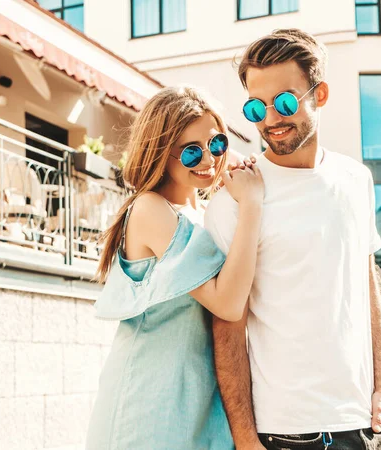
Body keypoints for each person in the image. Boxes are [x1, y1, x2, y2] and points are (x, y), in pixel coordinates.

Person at [205, 29, 381, 449]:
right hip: (284, 430)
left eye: (287, 102)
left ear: (321, 94)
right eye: (257, 107)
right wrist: (244, 437)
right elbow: (227, 324)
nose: (272, 119)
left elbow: (368, 286)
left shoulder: (356, 180)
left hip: (364, 421)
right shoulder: (236, 197)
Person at [86, 86, 264, 449]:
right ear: (160, 153)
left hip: (197, 404)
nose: (209, 160)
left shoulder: (203, 213)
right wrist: (252, 205)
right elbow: (227, 303)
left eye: (216, 145)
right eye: (191, 151)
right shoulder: (151, 209)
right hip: (149, 407)